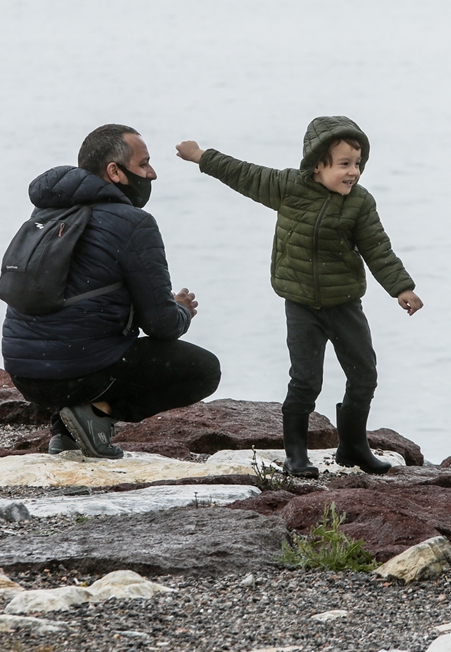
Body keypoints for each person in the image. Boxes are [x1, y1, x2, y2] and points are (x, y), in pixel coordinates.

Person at [176, 116, 422, 478]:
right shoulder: (288, 187)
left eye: (357, 164)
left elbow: (378, 248)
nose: (353, 172)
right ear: (318, 164)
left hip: (345, 305)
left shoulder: (360, 203)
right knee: (306, 380)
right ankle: (295, 454)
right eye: (344, 164)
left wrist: (402, 287)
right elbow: (243, 173)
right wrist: (200, 155)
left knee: (364, 375)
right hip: (301, 305)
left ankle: (353, 447)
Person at [2, 124, 220, 459]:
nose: (152, 174)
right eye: (144, 164)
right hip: (75, 373)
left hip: (25, 373)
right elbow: (161, 324)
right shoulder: (134, 223)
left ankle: (66, 431)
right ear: (114, 172)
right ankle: (98, 413)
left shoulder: (46, 213)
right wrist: (181, 311)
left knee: (75, 334)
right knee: (202, 369)